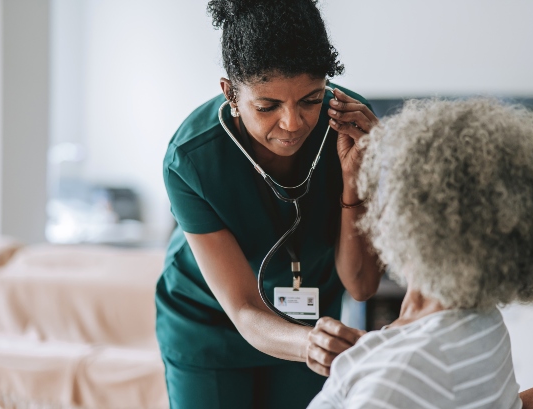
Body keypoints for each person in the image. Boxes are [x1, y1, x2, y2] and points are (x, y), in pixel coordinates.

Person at [155, 1, 382, 408]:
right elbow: (242, 308)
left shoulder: (353, 128)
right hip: (210, 326)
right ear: (231, 94)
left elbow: (362, 286)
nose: (293, 123)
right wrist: (309, 342)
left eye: (311, 99)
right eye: (267, 106)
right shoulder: (190, 159)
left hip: (309, 319)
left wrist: (355, 181)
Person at [307, 98, 533, 408]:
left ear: (416, 221)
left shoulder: (396, 378)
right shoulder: (483, 322)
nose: (378, 202)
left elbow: (410, 376)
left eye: (391, 188)